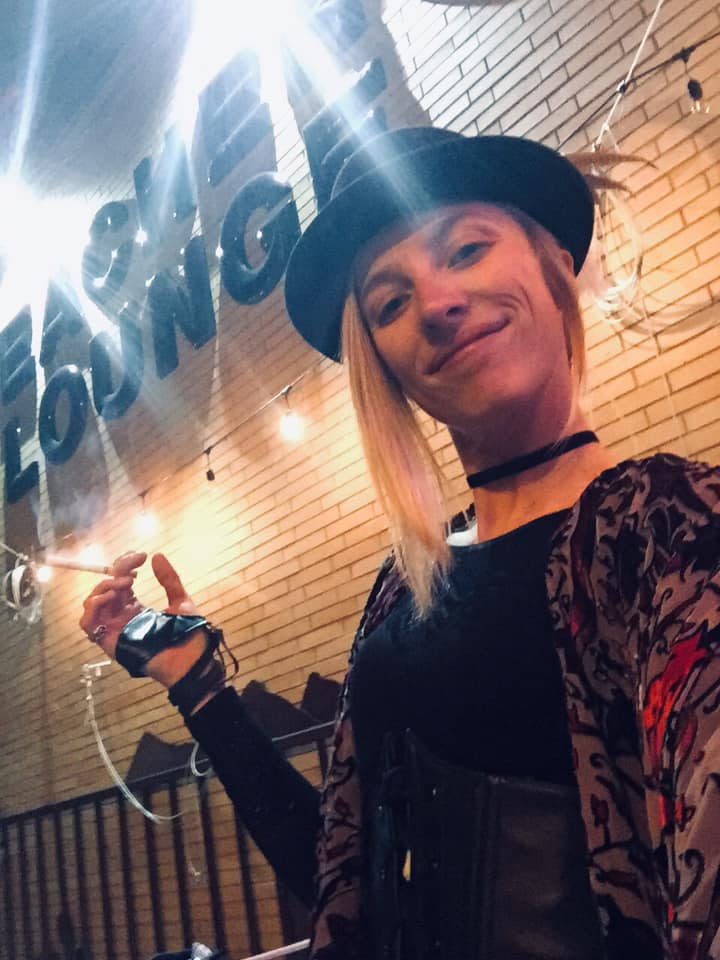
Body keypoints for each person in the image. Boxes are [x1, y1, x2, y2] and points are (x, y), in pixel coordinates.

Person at [80, 127, 720, 960]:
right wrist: (198, 687)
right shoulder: (404, 587)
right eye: (389, 302)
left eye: (467, 250)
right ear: (382, 365)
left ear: (556, 266)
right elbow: (341, 888)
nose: (437, 302)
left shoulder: (667, 526)